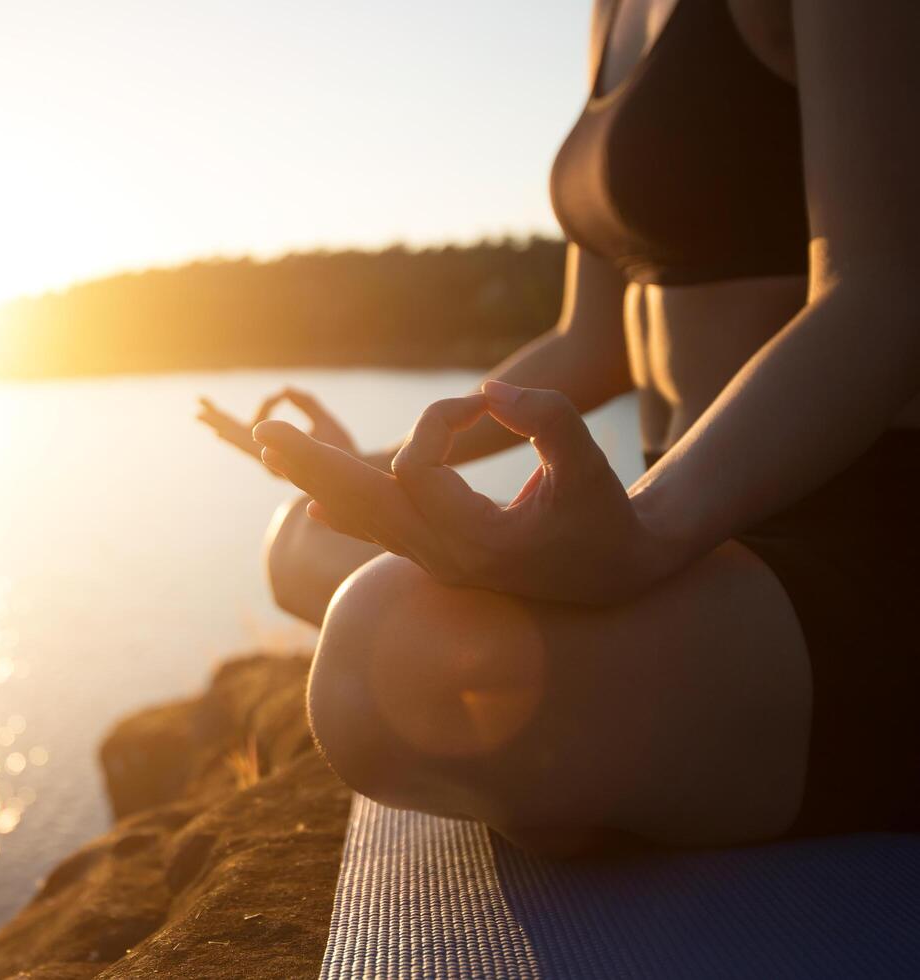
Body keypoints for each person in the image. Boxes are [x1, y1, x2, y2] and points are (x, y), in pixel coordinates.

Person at [197, 0, 920, 854]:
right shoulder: (609, 10)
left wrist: (647, 528)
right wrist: (370, 474)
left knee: (383, 654)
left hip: (853, 534)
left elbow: (883, 293)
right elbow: (594, 342)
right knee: (305, 542)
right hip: (690, 528)